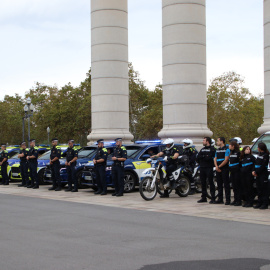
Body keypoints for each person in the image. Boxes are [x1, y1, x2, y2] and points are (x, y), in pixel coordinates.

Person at [196, 137, 216, 203]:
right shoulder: (202, 149)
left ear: (207, 141)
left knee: (210, 182)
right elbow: (198, 157)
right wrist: (205, 157)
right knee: (202, 182)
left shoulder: (213, 149)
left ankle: (213, 197)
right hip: (202, 167)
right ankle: (204, 197)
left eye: (204, 140)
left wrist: (204, 157)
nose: (203, 141)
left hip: (209, 167)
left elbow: (209, 158)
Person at [252, 142, 269, 209]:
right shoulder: (259, 155)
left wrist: (256, 171)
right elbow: (255, 163)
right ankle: (259, 202)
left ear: (260, 148)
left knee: (264, 190)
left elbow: (263, 165)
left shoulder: (265, 155)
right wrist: (253, 171)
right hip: (257, 174)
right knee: (259, 189)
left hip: (263, 174)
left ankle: (265, 204)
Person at [214, 137, 230, 204]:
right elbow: (215, 158)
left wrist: (219, 166)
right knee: (219, 184)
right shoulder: (217, 150)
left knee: (226, 184)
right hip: (218, 168)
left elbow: (226, 160)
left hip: (224, 168)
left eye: (218, 141)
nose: (217, 142)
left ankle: (228, 200)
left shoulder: (227, 149)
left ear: (222, 141)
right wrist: (216, 166)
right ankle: (220, 199)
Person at [229, 141, 242, 206]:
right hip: (232, 171)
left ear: (233, 146)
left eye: (230, 145)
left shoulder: (238, 153)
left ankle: (239, 200)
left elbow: (240, 162)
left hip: (237, 171)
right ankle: (235, 199)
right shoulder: (231, 153)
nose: (229, 146)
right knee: (234, 186)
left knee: (237, 186)